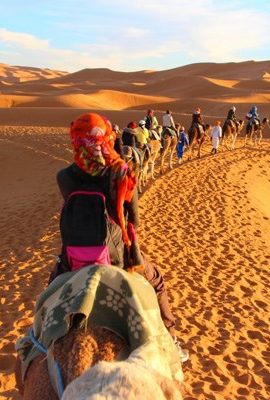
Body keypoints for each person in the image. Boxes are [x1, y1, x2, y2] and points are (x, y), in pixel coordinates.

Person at [51, 113, 189, 362]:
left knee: (50, 293)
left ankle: (36, 343)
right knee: (156, 282)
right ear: (107, 136)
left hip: (73, 259)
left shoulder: (64, 176)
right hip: (118, 256)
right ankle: (172, 341)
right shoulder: (120, 171)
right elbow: (133, 220)